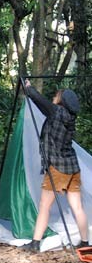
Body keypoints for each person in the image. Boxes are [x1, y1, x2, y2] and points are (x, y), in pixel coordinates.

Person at [22, 81, 89, 252]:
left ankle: (35, 243)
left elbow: (39, 100)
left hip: (58, 168)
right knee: (77, 207)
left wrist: (28, 87)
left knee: (44, 206)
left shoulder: (57, 112)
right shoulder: (70, 117)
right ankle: (85, 242)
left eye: (56, 96)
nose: (53, 98)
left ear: (61, 102)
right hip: (73, 167)